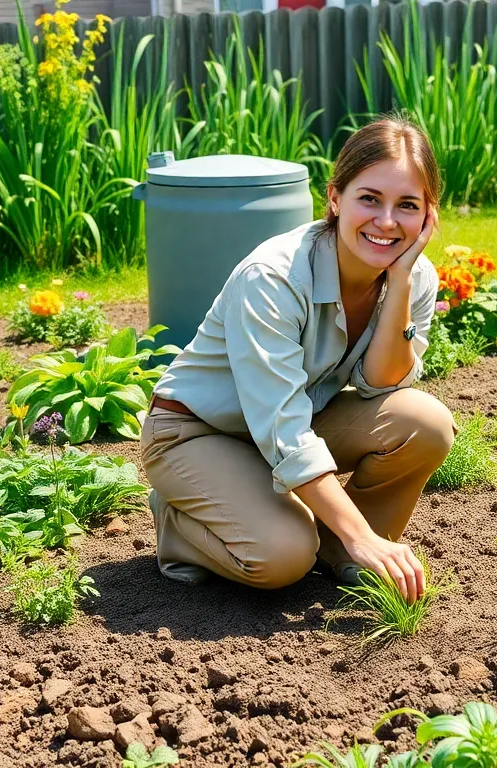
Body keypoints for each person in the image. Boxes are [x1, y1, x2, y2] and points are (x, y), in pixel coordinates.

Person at [141, 116, 454, 603]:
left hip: (287, 425)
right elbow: (283, 429)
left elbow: (382, 383)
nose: (387, 221)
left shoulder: (414, 275)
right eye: (369, 198)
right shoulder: (274, 277)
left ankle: (340, 549)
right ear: (334, 198)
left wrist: (398, 286)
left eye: (407, 205)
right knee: (281, 557)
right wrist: (362, 531)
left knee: (426, 422)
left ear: (428, 216)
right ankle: (179, 521)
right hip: (197, 433)